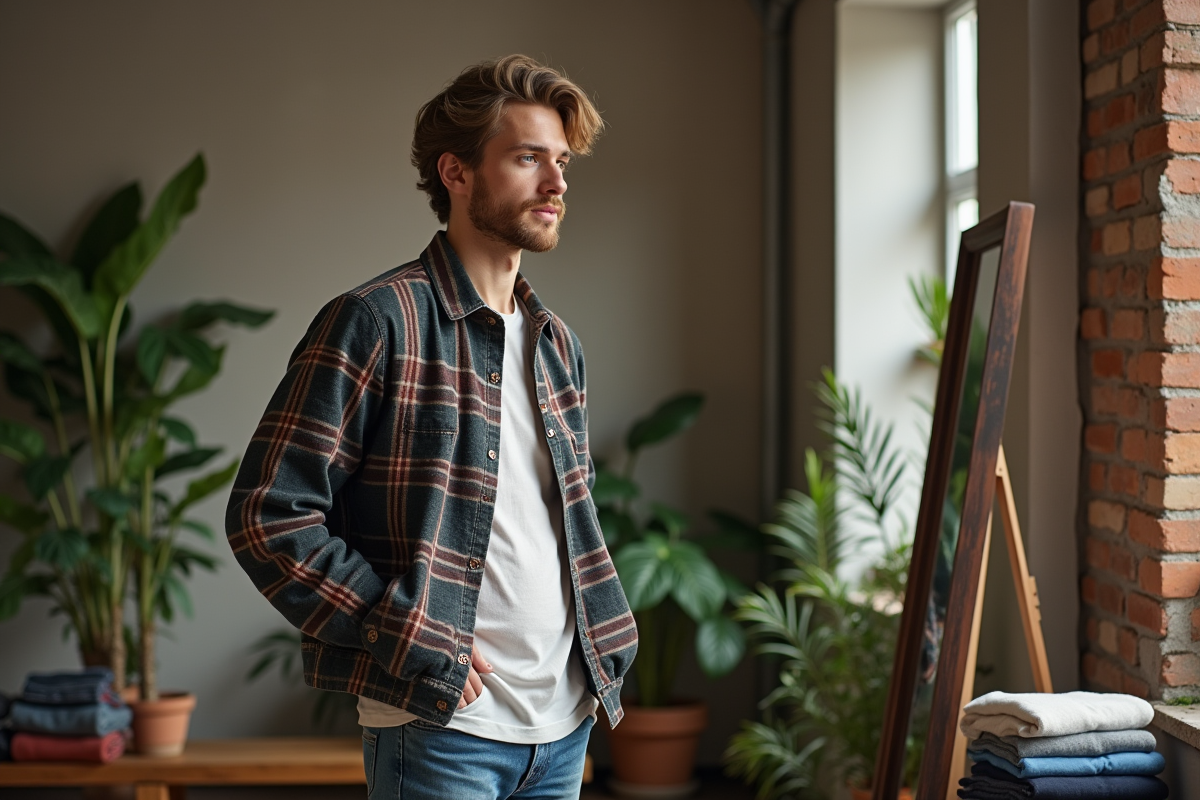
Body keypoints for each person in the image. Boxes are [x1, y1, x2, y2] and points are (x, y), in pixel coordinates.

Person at [225, 54, 637, 799]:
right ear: (456, 173)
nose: (557, 184)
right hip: (440, 726)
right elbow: (268, 516)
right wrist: (407, 632)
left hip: (564, 723)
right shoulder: (376, 320)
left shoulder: (557, 345)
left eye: (563, 162)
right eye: (527, 159)